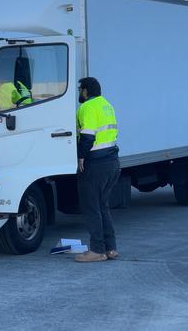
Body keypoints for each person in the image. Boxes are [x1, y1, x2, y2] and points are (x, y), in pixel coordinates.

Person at [74, 77, 121, 263]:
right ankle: (111, 248)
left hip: (96, 164)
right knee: (102, 206)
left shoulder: (87, 107)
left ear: (85, 91)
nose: (79, 92)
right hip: (112, 162)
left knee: (91, 207)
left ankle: (97, 250)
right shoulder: (107, 105)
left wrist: (81, 158)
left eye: (80, 89)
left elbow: (87, 136)